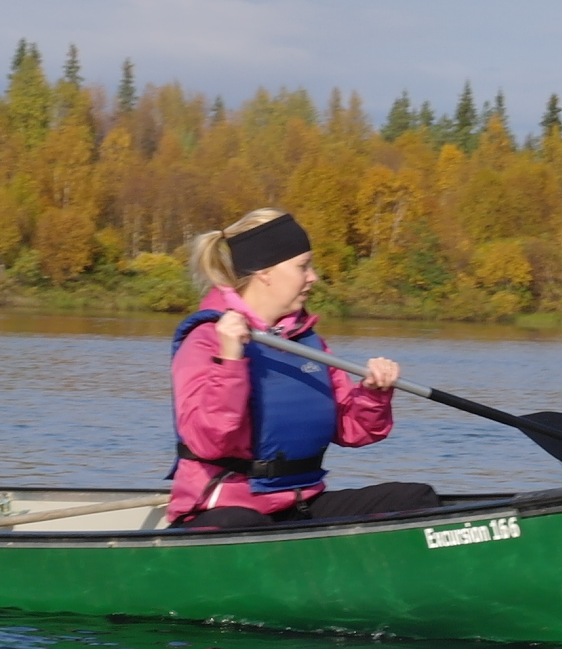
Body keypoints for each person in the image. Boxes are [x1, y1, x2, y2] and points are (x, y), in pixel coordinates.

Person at [168, 208, 442, 530]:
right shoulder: (205, 341)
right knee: (245, 525)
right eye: (303, 266)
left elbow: (353, 431)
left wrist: (373, 395)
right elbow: (208, 441)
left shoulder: (307, 343)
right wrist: (230, 360)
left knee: (416, 499)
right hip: (224, 512)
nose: (313, 276)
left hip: (299, 503)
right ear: (264, 272)